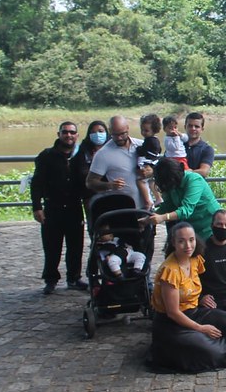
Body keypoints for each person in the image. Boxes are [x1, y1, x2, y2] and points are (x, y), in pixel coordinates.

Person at [148, 222, 226, 373]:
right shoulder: (170, 271)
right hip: (171, 324)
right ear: (173, 243)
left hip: (194, 311)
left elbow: (201, 282)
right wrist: (201, 328)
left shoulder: (195, 259)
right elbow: (173, 313)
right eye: (181, 241)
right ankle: (209, 350)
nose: (188, 245)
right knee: (213, 352)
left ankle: (211, 348)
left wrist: (203, 297)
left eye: (191, 240)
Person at [32, 121, 86, 294]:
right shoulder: (46, 156)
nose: (68, 135)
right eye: (65, 132)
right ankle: (51, 279)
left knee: (76, 246)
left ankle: (74, 278)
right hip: (52, 207)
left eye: (72, 132)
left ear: (77, 135)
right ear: (59, 134)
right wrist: (37, 207)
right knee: (51, 247)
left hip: (74, 207)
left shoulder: (81, 155)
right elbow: (37, 183)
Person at [144, 159, 222, 241]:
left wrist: (163, 217)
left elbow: (186, 210)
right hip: (191, 225)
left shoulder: (194, 180)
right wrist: (148, 219)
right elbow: (168, 206)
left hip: (209, 225)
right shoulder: (170, 184)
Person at [87, 115, 144, 209]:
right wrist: (110, 185)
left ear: (128, 128)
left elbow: (158, 170)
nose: (119, 138)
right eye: (115, 135)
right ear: (110, 131)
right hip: (122, 208)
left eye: (123, 134)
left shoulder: (141, 145)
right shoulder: (102, 154)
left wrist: (151, 172)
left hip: (147, 206)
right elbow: (90, 182)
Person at [70, 119, 108, 218]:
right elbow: (81, 173)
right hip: (90, 196)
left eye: (100, 131)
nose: (97, 134)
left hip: (113, 194)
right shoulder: (83, 151)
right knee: (96, 222)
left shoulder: (113, 148)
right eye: (93, 132)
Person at [183, 112, 214, 177]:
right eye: (190, 126)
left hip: (196, 182)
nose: (193, 128)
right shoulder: (176, 145)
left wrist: (182, 172)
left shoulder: (207, 149)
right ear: (185, 127)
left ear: (202, 129)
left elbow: (204, 172)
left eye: (196, 126)